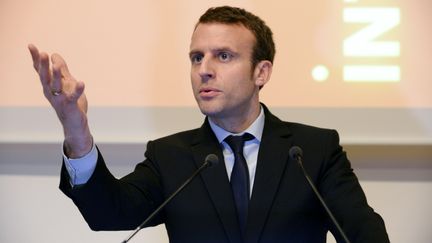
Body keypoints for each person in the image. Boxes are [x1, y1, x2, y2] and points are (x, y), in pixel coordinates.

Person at [29, 6, 389, 243]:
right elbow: (106, 213)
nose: (204, 69)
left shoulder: (312, 151)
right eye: (196, 57)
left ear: (261, 72)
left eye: (224, 56)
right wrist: (76, 131)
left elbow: (362, 233)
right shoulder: (171, 156)